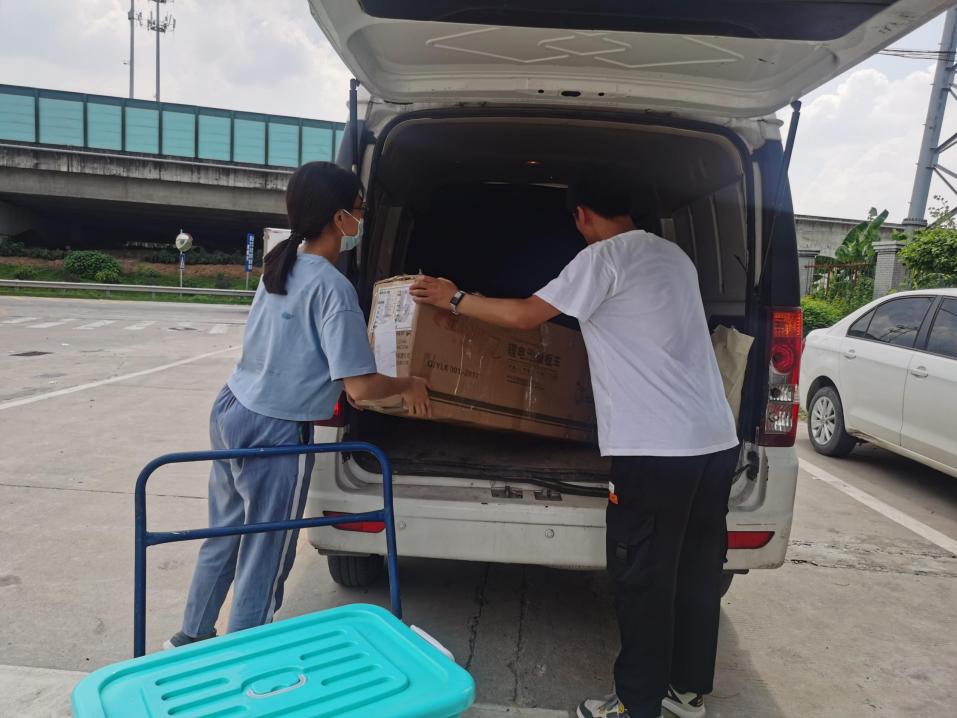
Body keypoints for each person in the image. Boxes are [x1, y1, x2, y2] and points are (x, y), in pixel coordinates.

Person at [410, 171, 739, 718]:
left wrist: (455, 297)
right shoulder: (674, 257)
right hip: (714, 441)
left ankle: (634, 704)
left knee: (643, 577)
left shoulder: (603, 259)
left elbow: (524, 316)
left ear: (583, 215)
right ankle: (686, 693)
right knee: (695, 573)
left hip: (654, 450)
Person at [165, 161, 431, 649]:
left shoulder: (280, 264)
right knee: (267, 552)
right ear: (339, 218)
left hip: (233, 408)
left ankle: (190, 637)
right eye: (359, 209)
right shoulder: (333, 288)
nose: (362, 219)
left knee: (225, 535)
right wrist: (409, 384)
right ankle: (246, 655)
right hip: (275, 432)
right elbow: (360, 388)